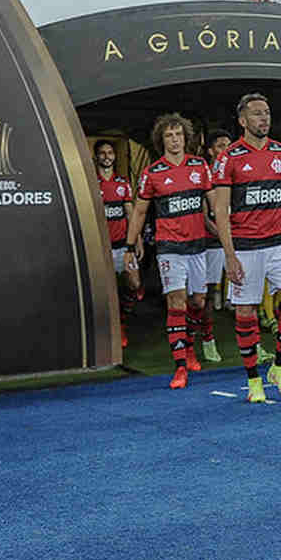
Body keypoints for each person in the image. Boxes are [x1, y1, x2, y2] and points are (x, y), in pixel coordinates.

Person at [213, 93, 281, 403]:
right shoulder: (229, 157)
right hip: (246, 246)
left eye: (266, 113)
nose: (263, 119)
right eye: (256, 114)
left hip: (280, 243)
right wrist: (229, 254)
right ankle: (253, 380)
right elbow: (221, 210)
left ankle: (278, 368)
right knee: (246, 311)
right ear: (242, 121)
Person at [124, 113, 223, 389]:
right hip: (169, 248)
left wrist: (226, 229)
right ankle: (180, 366)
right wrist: (130, 246)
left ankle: (189, 346)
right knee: (176, 303)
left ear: (186, 138)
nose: (175, 139)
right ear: (161, 140)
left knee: (199, 302)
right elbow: (140, 211)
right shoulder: (152, 173)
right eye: (169, 135)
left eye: (179, 134)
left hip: (198, 246)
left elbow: (215, 203)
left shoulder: (200, 166)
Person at [93, 139, 141, 348]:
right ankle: (112, 329)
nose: (106, 156)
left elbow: (131, 214)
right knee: (106, 291)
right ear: (96, 157)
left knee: (134, 284)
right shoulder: (91, 184)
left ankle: (122, 320)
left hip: (123, 246)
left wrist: (137, 240)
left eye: (110, 152)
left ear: (115, 156)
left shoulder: (122, 184)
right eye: (102, 153)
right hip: (102, 249)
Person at [199, 129, 233, 356]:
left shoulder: (237, 170)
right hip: (211, 243)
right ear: (211, 151)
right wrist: (221, 233)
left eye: (229, 145)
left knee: (245, 293)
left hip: (235, 241)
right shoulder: (205, 175)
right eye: (221, 145)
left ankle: (255, 345)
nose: (226, 149)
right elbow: (203, 215)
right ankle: (207, 339)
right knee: (207, 293)